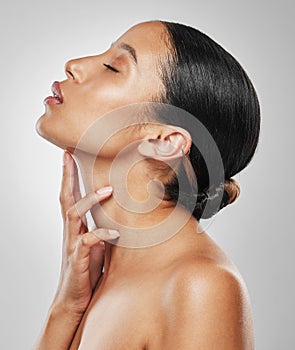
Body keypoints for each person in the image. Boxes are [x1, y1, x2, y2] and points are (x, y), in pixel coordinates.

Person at [34, 20, 260, 349]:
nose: (74, 66)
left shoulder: (200, 286)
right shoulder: (96, 282)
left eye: (113, 67)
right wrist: (65, 309)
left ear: (164, 141)